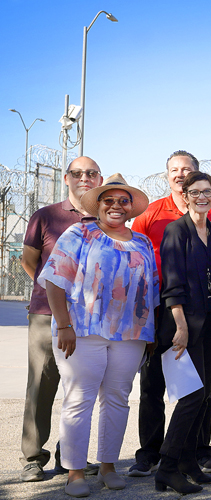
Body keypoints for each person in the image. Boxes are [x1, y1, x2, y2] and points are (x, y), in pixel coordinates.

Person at [38, 174, 158, 497]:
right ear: (99, 205)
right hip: (81, 332)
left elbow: (151, 292)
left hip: (131, 335)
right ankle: (75, 472)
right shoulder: (80, 233)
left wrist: (150, 333)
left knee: (118, 400)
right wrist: (63, 325)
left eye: (123, 201)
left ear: (131, 208)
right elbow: (54, 280)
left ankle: (107, 466)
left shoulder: (143, 242)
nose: (116, 206)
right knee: (79, 399)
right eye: (109, 200)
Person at [130, 151, 211, 478]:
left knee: (200, 389)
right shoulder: (153, 214)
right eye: (174, 170)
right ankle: (152, 455)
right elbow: (137, 262)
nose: (180, 174)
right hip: (165, 315)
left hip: (207, 319)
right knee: (155, 387)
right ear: (170, 178)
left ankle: (197, 455)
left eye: (186, 169)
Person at [19, 157, 103, 482]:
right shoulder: (46, 216)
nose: (85, 178)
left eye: (91, 173)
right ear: (67, 178)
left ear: (100, 179)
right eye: (78, 173)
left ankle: (70, 457)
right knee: (41, 384)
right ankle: (32, 457)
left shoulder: (104, 220)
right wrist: (54, 294)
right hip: (46, 314)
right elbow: (31, 262)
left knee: (80, 389)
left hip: (90, 320)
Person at [155, 172, 211, 494]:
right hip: (182, 327)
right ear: (184, 196)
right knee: (191, 397)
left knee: (204, 396)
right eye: (195, 192)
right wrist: (181, 327)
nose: (202, 197)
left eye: (207, 191)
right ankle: (167, 467)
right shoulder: (175, 231)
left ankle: (187, 462)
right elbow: (172, 284)